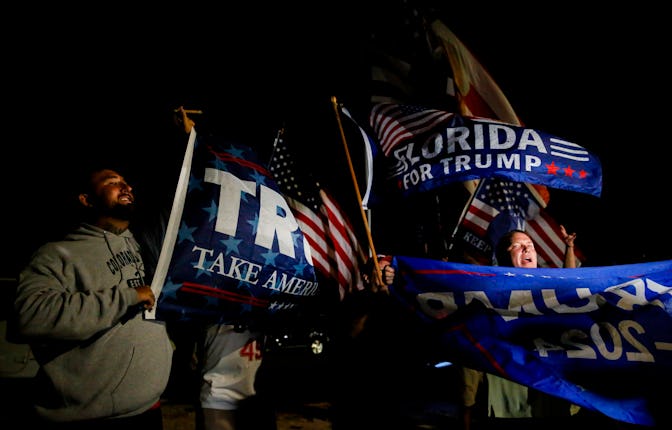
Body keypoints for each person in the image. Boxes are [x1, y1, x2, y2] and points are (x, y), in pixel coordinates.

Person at [12, 165, 174, 429]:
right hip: (89, 418)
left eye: (126, 182)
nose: (126, 186)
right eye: (113, 182)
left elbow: (175, 202)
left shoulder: (144, 244)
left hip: (148, 410)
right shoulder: (59, 253)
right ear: (86, 199)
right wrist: (126, 298)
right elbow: (30, 315)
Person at [482, 227, 578, 429]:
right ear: (505, 254)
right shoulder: (489, 287)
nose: (527, 249)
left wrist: (569, 248)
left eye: (531, 246)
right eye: (518, 245)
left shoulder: (548, 284)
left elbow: (571, 283)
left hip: (550, 388)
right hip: (512, 393)